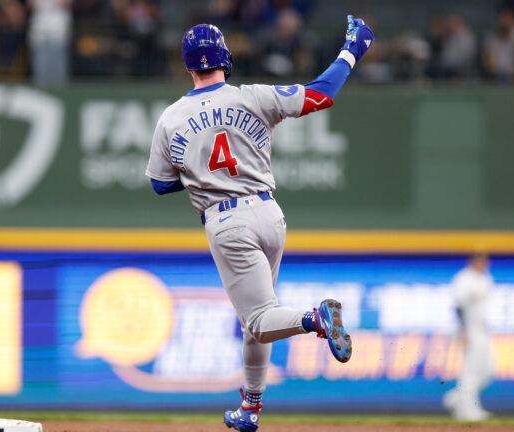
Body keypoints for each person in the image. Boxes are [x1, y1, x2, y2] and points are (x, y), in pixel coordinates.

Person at [145, 17, 373, 432]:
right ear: (225, 60)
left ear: (187, 66)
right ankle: (250, 409)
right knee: (259, 316)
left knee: (258, 320)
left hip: (226, 222)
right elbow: (320, 95)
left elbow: (161, 184)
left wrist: (200, 172)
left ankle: (317, 317)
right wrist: (351, 50)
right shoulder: (253, 97)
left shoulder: (171, 118)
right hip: (269, 214)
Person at [443, 253, 495, 422]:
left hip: (483, 330)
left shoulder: (485, 278)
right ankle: (470, 411)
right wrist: (463, 332)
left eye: (485, 261)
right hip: (469, 330)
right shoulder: (464, 279)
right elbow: (457, 307)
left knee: (489, 371)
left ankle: (456, 398)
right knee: (471, 372)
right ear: (472, 261)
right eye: (480, 261)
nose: (483, 264)